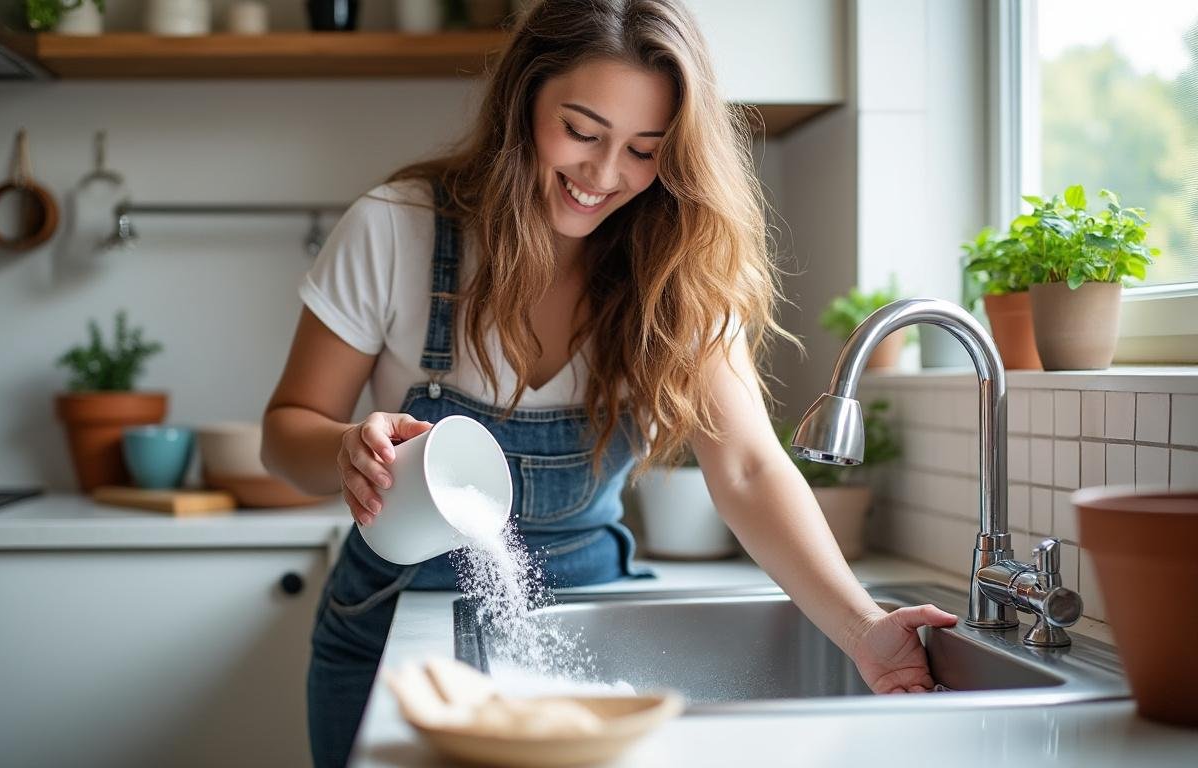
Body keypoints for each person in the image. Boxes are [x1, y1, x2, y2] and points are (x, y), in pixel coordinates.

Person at [262, 1, 959, 765]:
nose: (602, 174)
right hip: (394, 635)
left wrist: (863, 628)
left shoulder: (677, 268)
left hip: (589, 630)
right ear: (524, 99)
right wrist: (345, 450)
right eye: (582, 131)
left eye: (643, 150)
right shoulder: (397, 228)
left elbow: (748, 469)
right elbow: (286, 432)